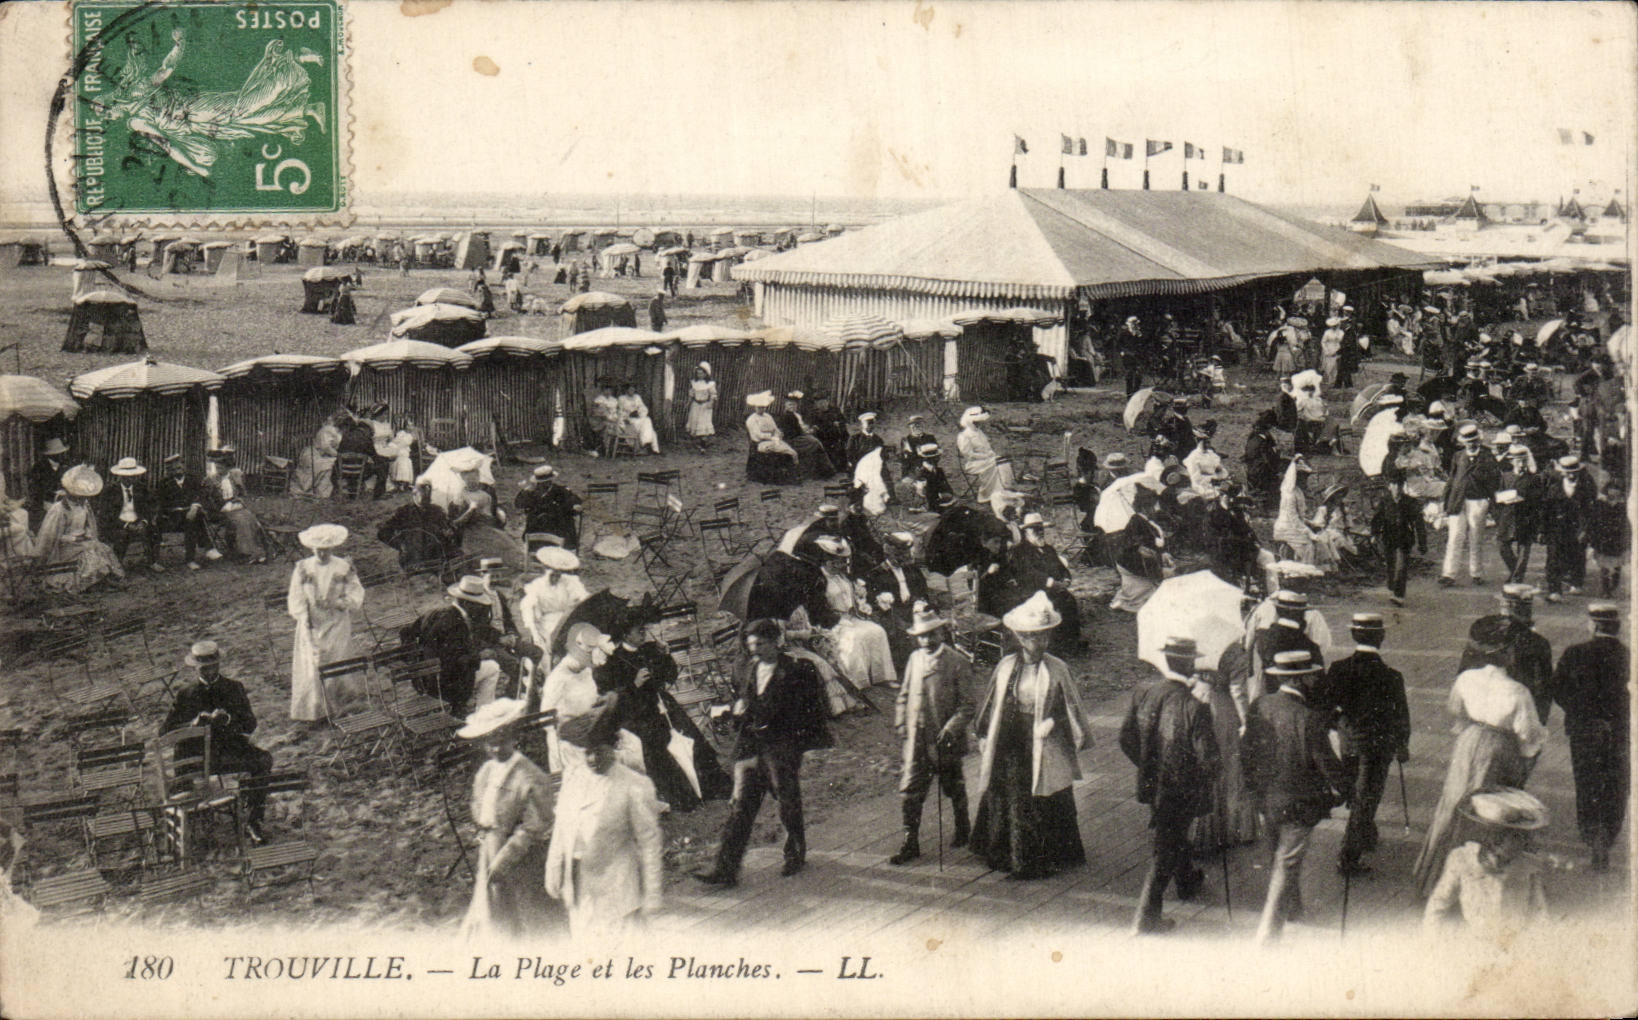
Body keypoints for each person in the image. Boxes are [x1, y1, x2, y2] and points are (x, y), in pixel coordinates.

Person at [1411, 617, 1548, 897]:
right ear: (1507, 653)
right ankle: (1482, 883)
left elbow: (1456, 711)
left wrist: (1470, 734)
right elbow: (1529, 736)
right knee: (1490, 812)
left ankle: (1436, 877)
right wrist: (1525, 759)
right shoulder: (1518, 692)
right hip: (1500, 750)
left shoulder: (1466, 679)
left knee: (1453, 804)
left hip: (1469, 742)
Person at [694, 619, 832, 887]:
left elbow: (811, 711)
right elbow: (745, 701)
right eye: (751, 645)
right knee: (741, 805)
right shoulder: (748, 669)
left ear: (776, 642)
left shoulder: (797, 670)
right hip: (752, 745)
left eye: (760, 644)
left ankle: (795, 851)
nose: (755, 650)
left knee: (787, 799)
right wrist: (736, 711)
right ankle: (725, 868)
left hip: (781, 745)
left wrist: (795, 743)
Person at [970, 592, 1091, 880]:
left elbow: (1070, 708)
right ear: (1021, 638)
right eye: (1034, 637)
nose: (1041, 643)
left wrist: (1052, 720)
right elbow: (991, 703)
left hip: (1043, 739)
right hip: (1011, 738)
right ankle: (1008, 853)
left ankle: (1049, 855)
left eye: (1045, 637)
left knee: (1045, 791)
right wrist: (984, 733)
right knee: (1011, 791)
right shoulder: (1006, 666)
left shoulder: (1057, 668)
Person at [1242, 649, 1347, 944]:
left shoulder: (1259, 705)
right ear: (1301, 680)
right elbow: (1327, 764)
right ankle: (1268, 935)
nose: (1315, 679)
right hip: (1299, 803)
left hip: (1266, 798)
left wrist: (1253, 789)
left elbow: (1246, 752)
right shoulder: (1309, 718)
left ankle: (1293, 910)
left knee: (1280, 854)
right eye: (1311, 675)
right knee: (1286, 864)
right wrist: (1346, 789)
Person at [1120, 636, 1218, 934]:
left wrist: (1150, 766)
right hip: (1182, 788)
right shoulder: (1195, 706)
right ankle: (1145, 917)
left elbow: (1126, 738)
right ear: (1190, 664)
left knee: (1172, 832)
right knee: (1167, 846)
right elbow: (1209, 759)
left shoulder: (1144, 692)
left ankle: (1187, 879)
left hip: (1154, 783)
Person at [546, 703, 664, 937]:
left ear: (613, 746)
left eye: (599, 750)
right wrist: (554, 865)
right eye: (586, 751)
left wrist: (652, 892)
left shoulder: (633, 785)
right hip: (581, 886)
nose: (591, 758)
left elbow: (649, 843)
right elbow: (562, 825)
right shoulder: (574, 779)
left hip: (619, 888)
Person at [456, 698, 557, 940]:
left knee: (527, 915)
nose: (496, 750)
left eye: (501, 743)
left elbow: (536, 824)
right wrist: (487, 833)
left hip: (521, 856)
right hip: (491, 847)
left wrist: (506, 856)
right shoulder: (487, 771)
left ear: (513, 739)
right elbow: (480, 807)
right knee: (493, 910)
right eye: (490, 745)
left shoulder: (530, 775)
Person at [1319, 614, 1410, 876]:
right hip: (1379, 747)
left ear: (1353, 636)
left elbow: (1326, 708)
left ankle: (1366, 834)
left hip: (1348, 743)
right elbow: (1401, 716)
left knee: (1357, 791)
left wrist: (1342, 724)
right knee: (1367, 797)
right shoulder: (1392, 676)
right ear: (1381, 637)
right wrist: (1402, 745)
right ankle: (1348, 858)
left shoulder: (1338, 668)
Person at [162, 641, 274, 842]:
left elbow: (250, 724)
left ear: (219, 665)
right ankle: (194, 820)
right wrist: (193, 724)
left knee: (263, 760)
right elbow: (165, 732)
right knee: (179, 775)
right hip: (197, 757)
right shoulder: (185, 694)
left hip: (228, 752)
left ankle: (253, 820)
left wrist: (229, 719)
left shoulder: (233, 688)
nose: (209, 672)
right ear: (195, 668)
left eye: (213, 667)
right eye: (204, 668)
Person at [1546, 604, 1629, 871]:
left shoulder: (1575, 653)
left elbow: (1556, 689)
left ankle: (1594, 837)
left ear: (1593, 626)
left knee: (1588, 784)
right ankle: (1608, 834)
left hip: (1584, 731)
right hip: (1619, 732)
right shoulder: (1628, 655)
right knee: (1615, 784)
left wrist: (1578, 710)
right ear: (1616, 627)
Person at [890, 607, 974, 865]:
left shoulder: (957, 662)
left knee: (953, 786)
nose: (926, 641)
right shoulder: (915, 659)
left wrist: (951, 728)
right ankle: (910, 841)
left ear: (942, 632)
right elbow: (904, 694)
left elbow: (968, 705)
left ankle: (963, 826)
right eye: (921, 636)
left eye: (931, 635)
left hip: (944, 740)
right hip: (917, 740)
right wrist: (901, 722)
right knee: (910, 791)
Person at [598, 608, 702, 812]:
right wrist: (634, 684)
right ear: (626, 634)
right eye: (639, 631)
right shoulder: (615, 661)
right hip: (636, 713)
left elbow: (669, 676)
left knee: (687, 734)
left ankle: (702, 784)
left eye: (644, 630)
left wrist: (665, 656)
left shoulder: (649, 650)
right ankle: (679, 794)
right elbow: (615, 699)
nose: (643, 634)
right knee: (656, 742)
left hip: (659, 704)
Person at [1423, 787, 1551, 938]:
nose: (1524, 844)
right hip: (1475, 941)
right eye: (1516, 838)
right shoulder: (1463, 860)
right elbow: (1439, 901)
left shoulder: (1528, 867)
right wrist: (1431, 940)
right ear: (1496, 840)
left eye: (1524, 838)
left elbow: (1540, 912)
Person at [286, 524, 365, 724]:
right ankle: (316, 710)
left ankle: (340, 706)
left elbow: (356, 591)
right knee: (314, 664)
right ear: (311, 548)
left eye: (326, 549)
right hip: (312, 623)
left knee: (337, 660)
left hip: (337, 623)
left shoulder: (343, 567)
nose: (322, 553)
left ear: (332, 548)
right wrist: (304, 618)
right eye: (317, 549)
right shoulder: (303, 568)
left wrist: (342, 602)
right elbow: (295, 596)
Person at [404, 575, 497, 719]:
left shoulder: (434, 613)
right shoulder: (456, 624)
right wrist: (479, 656)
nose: (479, 609)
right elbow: (456, 662)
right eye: (477, 604)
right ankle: (484, 717)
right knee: (492, 668)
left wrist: (415, 664)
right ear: (466, 603)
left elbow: (405, 632)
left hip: (422, 680)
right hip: (444, 685)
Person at [1459, 585, 1555, 723]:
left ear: (1505, 605)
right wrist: (1540, 721)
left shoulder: (1482, 631)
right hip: (1518, 714)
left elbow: (1464, 671)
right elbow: (1544, 688)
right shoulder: (1538, 641)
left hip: (1479, 713)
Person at [34, 465, 125, 593]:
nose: (82, 498)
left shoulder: (84, 506)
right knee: (89, 553)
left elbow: (88, 525)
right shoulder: (59, 509)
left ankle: (103, 578)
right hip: (64, 547)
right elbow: (51, 536)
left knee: (102, 548)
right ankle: (92, 583)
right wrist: (74, 538)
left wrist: (87, 534)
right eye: (79, 495)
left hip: (81, 542)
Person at [1004, 513, 1081, 650]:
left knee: (1069, 600)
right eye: (1035, 530)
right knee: (1053, 604)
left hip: (1054, 589)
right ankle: (1052, 646)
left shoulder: (1048, 549)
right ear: (1026, 532)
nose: (1040, 533)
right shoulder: (1020, 551)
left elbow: (1061, 568)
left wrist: (1066, 579)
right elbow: (1028, 574)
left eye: (1041, 529)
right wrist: (1051, 583)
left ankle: (1070, 642)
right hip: (1032, 591)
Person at [1438, 422, 1499, 587]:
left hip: (1478, 501)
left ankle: (1476, 573)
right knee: (1454, 537)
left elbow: (1494, 481)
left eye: (1473, 440)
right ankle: (1448, 574)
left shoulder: (1487, 456)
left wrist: (1491, 502)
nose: (1471, 443)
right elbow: (1452, 478)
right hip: (1457, 500)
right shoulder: (1458, 456)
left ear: (1478, 440)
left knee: (1475, 538)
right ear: (1463, 442)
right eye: (1467, 441)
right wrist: (1445, 500)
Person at [518, 546, 588, 666]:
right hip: (546, 621)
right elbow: (527, 606)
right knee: (549, 641)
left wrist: (579, 604)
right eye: (552, 572)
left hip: (568, 617)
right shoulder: (538, 585)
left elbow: (583, 597)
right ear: (546, 569)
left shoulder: (570, 582)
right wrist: (533, 630)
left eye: (559, 572)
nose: (556, 575)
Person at [1540, 455, 1595, 602]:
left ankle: (1576, 583)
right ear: (1562, 472)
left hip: (1577, 528)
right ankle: (1554, 590)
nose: (1571, 475)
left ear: (1579, 472)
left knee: (1577, 555)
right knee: (1553, 557)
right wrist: (1542, 530)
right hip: (1556, 527)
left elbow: (1591, 510)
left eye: (1574, 472)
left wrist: (1586, 530)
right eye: (1567, 472)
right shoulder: (1554, 486)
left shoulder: (1587, 486)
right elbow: (1546, 509)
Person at [376, 477, 459, 573]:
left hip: (435, 559)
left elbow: (450, 531)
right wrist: (401, 545)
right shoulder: (404, 512)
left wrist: (449, 533)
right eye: (422, 490)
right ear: (414, 493)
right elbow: (382, 532)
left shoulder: (437, 511)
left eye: (429, 491)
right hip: (412, 560)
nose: (427, 494)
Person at [154, 454, 221, 570]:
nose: (177, 471)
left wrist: (195, 506)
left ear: (184, 467)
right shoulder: (164, 483)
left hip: (191, 516)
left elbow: (200, 495)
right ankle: (208, 547)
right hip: (172, 519)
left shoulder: (193, 480)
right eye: (173, 469)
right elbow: (161, 503)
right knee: (194, 519)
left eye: (179, 467)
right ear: (169, 471)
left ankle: (191, 559)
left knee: (194, 518)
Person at [1369, 470, 1425, 607]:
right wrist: (1374, 535)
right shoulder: (1385, 502)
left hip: (1404, 539)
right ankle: (1392, 586)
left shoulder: (1410, 502)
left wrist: (1422, 543)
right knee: (1391, 567)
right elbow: (1377, 520)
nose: (1397, 488)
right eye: (1394, 485)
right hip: (1388, 538)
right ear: (1389, 486)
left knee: (1401, 567)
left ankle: (1399, 595)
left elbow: (1419, 524)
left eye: (1399, 485)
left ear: (1403, 486)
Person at [97, 457, 163, 572]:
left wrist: (143, 521)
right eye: (126, 476)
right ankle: (117, 565)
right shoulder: (110, 490)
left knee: (154, 531)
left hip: (137, 522)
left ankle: (152, 561)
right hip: (117, 525)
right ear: (120, 476)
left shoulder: (141, 488)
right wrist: (126, 525)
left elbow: (149, 507)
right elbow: (107, 515)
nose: (129, 479)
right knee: (122, 535)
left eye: (132, 476)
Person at [205, 447, 266, 564]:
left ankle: (256, 551)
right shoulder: (210, 480)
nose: (219, 470)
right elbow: (209, 500)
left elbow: (242, 494)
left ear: (227, 468)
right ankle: (246, 553)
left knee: (251, 518)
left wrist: (238, 500)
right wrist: (222, 506)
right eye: (217, 467)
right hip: (221, 510)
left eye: (222, 468)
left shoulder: (233, 478)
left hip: (236, 507)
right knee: (241, 520)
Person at [1495, 445, 1543, 585]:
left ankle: (1517, 578)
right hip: (1508, 516)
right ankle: (1515, 571)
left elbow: (1538, 499)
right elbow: (1498, 495)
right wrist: (1501, 500)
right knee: (1502, 545)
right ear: (1512, 462)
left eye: (1524, 461)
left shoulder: (1534, 479)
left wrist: (1525, 499)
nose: (1521, 464)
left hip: (1525, 516)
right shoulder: (1506, 476)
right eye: (1518, 461)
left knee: (1523, 549)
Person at [515, 465, 582, 551]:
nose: (542, 484)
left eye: (545, 482)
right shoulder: (531, 492)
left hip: (557, 526)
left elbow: (575, 501)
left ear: (550, 481)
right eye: (540, 483)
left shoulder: (561, 491)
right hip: (538, 527)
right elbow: (518, 504)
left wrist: (575, 506)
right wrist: (524, 491)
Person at [956, 406, 1014, 501]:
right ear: (971, 422)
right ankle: (988, 494)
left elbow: (987, 448)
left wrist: (991, 454)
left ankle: (1004, 490)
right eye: (977, 422)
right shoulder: (964, 436)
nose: (979, 424)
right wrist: (985, 456)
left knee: (1003, 461)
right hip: (974, 464)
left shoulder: (980, 433)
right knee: (995, 464)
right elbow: (968, 455)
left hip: (987, 460)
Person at [1272, 455, 1319, 565]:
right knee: (1308, 545)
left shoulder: (1298, 491)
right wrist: (1308, 531)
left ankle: (1308, 570)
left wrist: (1309, 523)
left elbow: (1299, 516)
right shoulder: (1289, 494)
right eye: (1302, 477)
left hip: (1294, 526)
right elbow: (1292, 517)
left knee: (1316, 541)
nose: (1305, 480)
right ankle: (1301, 573)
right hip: (1286, 527)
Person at [1586, 480, 1627, 598]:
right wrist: (1592, 537)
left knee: (1616, 565)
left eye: (1617, 489)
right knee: (1604, 566)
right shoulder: (1600, 503)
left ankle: (1613, 584)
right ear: (1607, 490)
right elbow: (1593, 520)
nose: (1614, 492)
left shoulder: (1623, 505)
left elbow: (1627, 523)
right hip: (1603, 538)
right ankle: (1606, 590)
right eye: (1612, 489)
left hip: (1617, 539)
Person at [289, 412, 344, 498]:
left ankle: (326, 491)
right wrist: (337, 455)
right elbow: (325, 447)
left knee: (332, 463)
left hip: (323, 455)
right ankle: (319, 492)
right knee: (328, 466)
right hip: (313, 454)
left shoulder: (335, 430)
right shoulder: (328, 429)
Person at [26, 437, 70, 530]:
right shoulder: (39, 467)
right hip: (44, 500)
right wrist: (55, 493)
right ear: (51, 455)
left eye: (62, 453)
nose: (61, 455)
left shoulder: (64, 465)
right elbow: (36, 489)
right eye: (59, 454)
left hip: (62, 499)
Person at [1244, 411, 1284, 499]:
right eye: (1271, 425)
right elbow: (1265, 456)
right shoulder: (1262, 437)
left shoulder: (1255, 434)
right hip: (1259, 467)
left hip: (1253, 465)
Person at [1183, 424, 1228, 499]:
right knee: (1217, 495)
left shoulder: (1211, 454)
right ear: (1198, 441)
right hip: (1201, 487)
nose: (1208, 443)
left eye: (1209, 441)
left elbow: (1223, 471)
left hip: (1216, 483)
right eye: (1204, 441)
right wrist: (1214, 478)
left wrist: (1220, 478)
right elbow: (1195, 479)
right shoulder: (1193, 457)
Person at [617, 384, 661, 455]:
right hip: (629, 420)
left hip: (638, 419)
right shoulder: (622, 398)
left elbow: (643, 408)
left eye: (633, 389)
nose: (632, 391)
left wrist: (639, 413)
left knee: (647, 420)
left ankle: (648, 445)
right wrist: (628, 415)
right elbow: (620, 411)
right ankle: (645, 445)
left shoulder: (637, 397)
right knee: (648, 425)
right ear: (626, 390)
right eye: (630, 389)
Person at [686, 363, 718, 440]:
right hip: (696, 405)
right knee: (695, 420)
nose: (699, 375)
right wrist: (688, 403)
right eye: (698, 373)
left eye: (701, 373)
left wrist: (711, 403)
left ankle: (703, 441)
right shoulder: (694, 383)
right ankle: (694, 437)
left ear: (706, 374)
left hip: (705, 406)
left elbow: (713, 395)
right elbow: (691, 394)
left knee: (703, 423)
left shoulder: (710, 384)